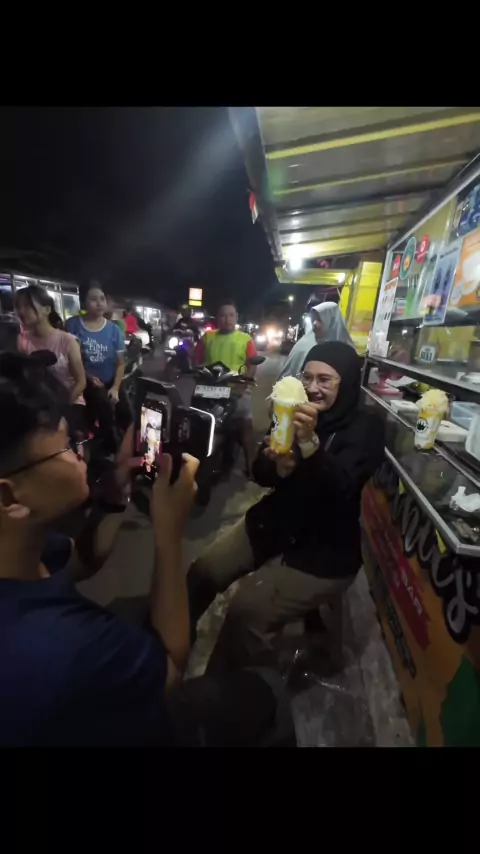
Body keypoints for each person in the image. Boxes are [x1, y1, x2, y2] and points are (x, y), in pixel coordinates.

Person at [0, 351, 292, 747]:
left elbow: (79, 561)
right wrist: (168, 533)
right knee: (269, 693)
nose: (83, 450)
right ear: (9, 497)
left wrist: (117, 492)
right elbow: (171, 666)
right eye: (67, 447)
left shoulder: (18, 554)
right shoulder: (62, 645)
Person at [187, 342, 385, 674]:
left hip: (324, 549)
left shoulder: (365, 428)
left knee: (245, 612)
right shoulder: (291, 409)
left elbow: (341, 490)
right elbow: (260, 471)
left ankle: (220, 692)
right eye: (307, 377)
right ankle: (170, 647)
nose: (312, 387)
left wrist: (309, 444)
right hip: (276, 522)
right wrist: (274, 467)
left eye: (325, 380)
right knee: (203, 572)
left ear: (348, 382)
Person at [194, 299, 259, 475]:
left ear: (236, 317)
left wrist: (243, 385)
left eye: (230, 315)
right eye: (223, 315)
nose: (227, 319)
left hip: (236, 391)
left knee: (245, 427)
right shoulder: (207, 337)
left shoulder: (245, 339)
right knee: (197, 423)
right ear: (217, 318)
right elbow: (196, 361)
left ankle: (252, 467)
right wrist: (197, 376)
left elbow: (252, 364)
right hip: (211, 390)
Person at [15, 285, 87, 440]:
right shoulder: (22, 340)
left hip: (69, 401)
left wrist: (59, 408)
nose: (21, 311)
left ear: (47, 309)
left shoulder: (67, 341)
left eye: (27, 306)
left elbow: (81, 382)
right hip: (37, 404)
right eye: (18, 306)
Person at [66, 283, 127, 454]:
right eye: (93, 299)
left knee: (127, 414)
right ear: (84, 303)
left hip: (111, 380)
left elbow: (120, 363)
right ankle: (102, 448)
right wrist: (88, 376)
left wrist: (115, 388)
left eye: (102, 299)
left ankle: (122, 446)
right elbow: (70, 359)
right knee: (100, 406)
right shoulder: (73, 325)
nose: (99, 303)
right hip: (84, 381)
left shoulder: (114, 330)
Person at [278, 301, 354, 381]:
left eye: (319, 320)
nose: (314, 323)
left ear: (332, 322)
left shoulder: (346, 353)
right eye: (314, 319)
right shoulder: (305, 346)